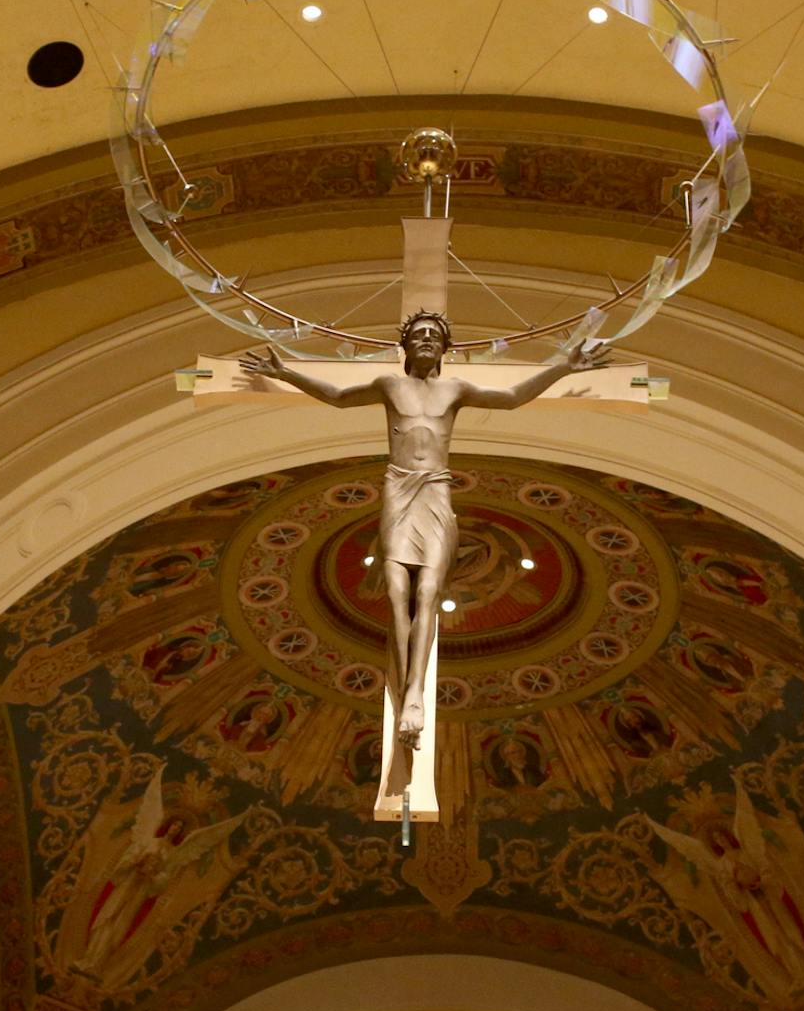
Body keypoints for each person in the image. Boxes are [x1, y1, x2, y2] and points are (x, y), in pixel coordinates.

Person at [242, 312, 610, 769]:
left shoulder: (454, 390)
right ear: (405, 346)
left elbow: (512, 398)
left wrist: (564, 366)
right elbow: (337, 397)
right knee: (397, 594)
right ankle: (406, 691)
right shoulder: (388, 386)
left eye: (435, 336)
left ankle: (415, 694)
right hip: (399, 491)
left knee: (430, 592)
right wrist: (285, 373)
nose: (427, 339)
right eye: (418, 335)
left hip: (435, 490)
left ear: (445, 349)